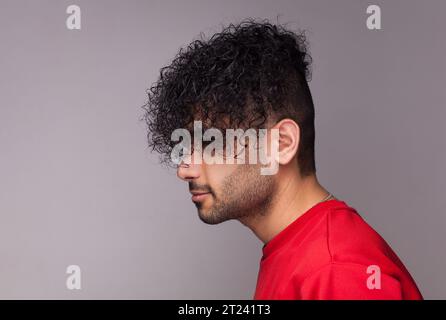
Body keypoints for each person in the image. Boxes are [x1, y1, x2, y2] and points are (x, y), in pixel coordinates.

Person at [143, 19, 423, 300]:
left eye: (209, 143)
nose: (184, 169)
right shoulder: (296, 252)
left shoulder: (337, 272)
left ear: (281, 144)